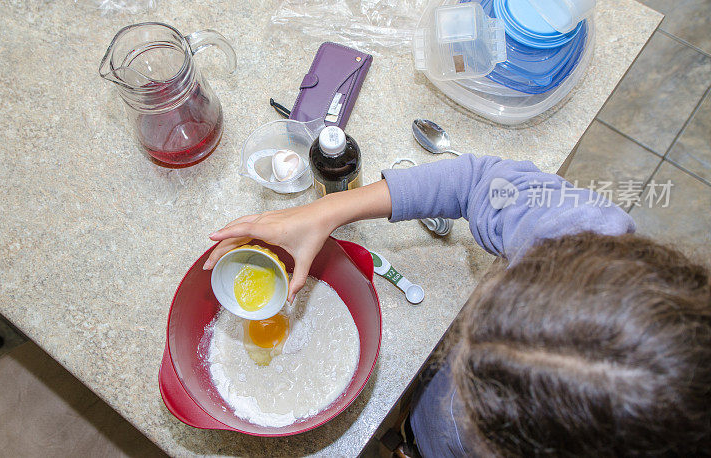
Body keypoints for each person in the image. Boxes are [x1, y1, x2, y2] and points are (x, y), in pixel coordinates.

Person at [203, 155, 711, 457]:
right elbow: (478, 182)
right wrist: (325, 211)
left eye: (471, 408)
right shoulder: (581, 239)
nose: (453, 355)